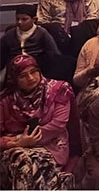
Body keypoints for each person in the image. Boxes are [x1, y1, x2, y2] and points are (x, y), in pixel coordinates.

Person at [0, 54, 75, 190]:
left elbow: (58, 125)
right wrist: (17, 142)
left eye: (34, 72)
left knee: (23, 161)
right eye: (23, 76)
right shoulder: (6, 99)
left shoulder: (58, 90)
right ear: (14, 79)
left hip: (51, 146)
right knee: (20, 159)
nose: (30, 78)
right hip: (13, 149)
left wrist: (28, 140)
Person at [1, 5, 60, 75]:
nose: (19, 22)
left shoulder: (42, 32)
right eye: (17, 19)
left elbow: (53, 53)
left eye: (24, 19)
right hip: (14, 67)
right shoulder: (10, 33)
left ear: (34, 19)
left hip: (36, 66)